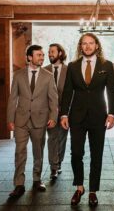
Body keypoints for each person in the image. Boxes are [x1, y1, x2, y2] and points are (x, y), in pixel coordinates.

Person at [60, 33, 114, 207]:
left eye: (91, 43)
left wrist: (112, 113)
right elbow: (67, 91)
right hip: (76, 117)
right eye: (84, 44)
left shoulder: (107, 65)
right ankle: (79, 187)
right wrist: (63, 114)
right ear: (80, 47)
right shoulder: (72, 66)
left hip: (98, 116)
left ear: (97, 46)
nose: (88, 46)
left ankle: (93, 190)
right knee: (76, 153)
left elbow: (112, 91)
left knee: (96, 154)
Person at [7, 45, 58, 198]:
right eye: (38, 55)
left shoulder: (48, 76)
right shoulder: (18, 75)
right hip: (21, 120)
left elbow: (53, 99)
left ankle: (37, 179)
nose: (42, 58)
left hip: (40, 120)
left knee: (38, 152)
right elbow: (12, 98)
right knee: (19, 152)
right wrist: (10, 119)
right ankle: (19, 184)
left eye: (43, 55)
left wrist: (53, 117)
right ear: (29, 57)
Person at [44, 43, 68, 179]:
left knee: (62, 138)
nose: (49, 54)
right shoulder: (44, 70)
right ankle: (53, 166)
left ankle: (59, 162)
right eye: (48, 52)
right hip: (49, 112)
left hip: (65, 112)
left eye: (52, 51)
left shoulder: (69, 70)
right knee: (52, 138)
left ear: (60, 53)